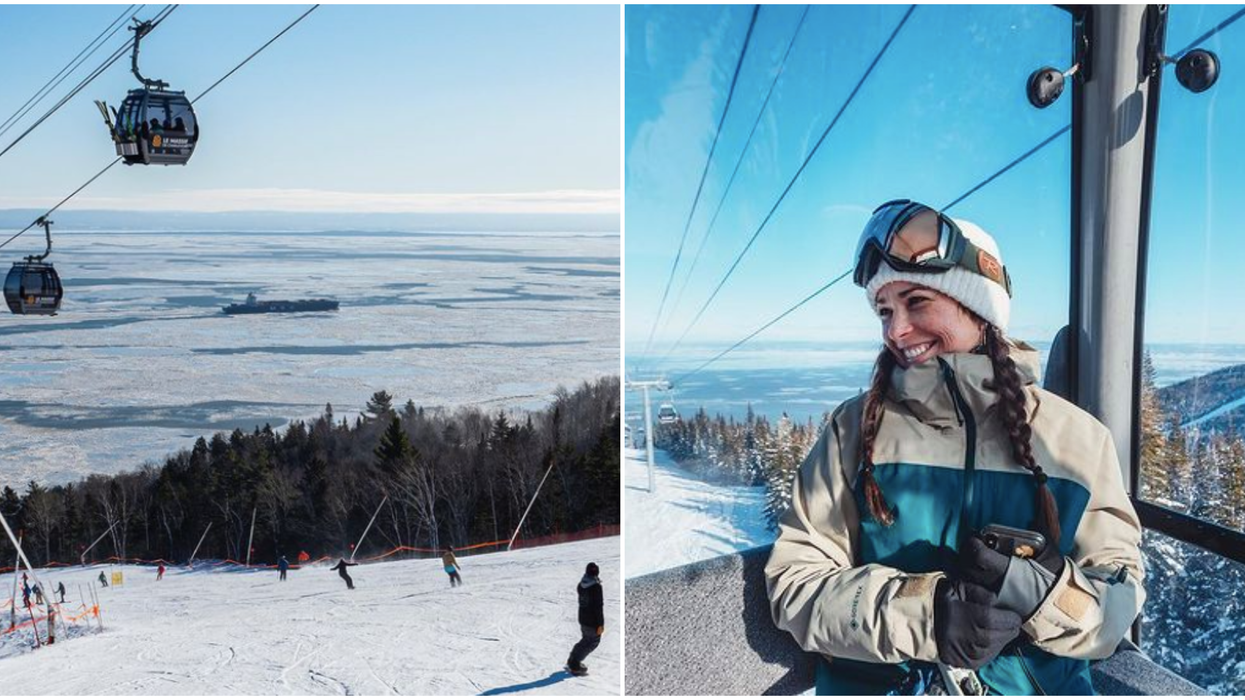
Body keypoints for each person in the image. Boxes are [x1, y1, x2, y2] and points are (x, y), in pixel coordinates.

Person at [765, 200, 1145, 695]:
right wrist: (927, 615)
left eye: (917, 302)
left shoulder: (1075, 439)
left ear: (980, 309)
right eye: (885, 310)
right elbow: (794, 585)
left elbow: (1118, 600)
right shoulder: (853, 432)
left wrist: (1051, 594)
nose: (894, 330)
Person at [566, 562, 604, 677]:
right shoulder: (596, 587)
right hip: (592, 621)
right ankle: (575, 663)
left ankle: (573, 659)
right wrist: (600, 624)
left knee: (585, 640)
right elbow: (598, 606)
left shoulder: (581, 584)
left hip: (583, 618)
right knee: (592, 642)